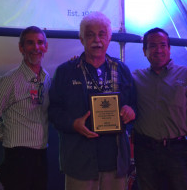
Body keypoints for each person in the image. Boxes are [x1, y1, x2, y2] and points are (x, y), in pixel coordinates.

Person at [48, 11, 136, 190]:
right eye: (90, 35)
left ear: (109, 37)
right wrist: (73, 124)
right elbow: (54, 112)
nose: (97, 40)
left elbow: (135, 104)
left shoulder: (122, 70)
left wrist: (131, 110)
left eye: (102, 34)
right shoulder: (66, 72)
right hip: (79, 164)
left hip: (115, 163)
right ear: (81, 39)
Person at [132, 27, 187, 190]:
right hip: (145, 153)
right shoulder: (135, 78)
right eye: (152, 46)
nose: (158, 50)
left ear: (169, 49)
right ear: (144, 51)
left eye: (163, 45)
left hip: (177, 152)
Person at [0, 26, 51, 190]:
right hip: (17, 157)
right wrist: (9, 137)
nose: (36, 47)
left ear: (46, 47)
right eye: (30, 43)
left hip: (41, 155)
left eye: (40, 43)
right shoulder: (10, 80)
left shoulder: (47, 79)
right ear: (21, 48)